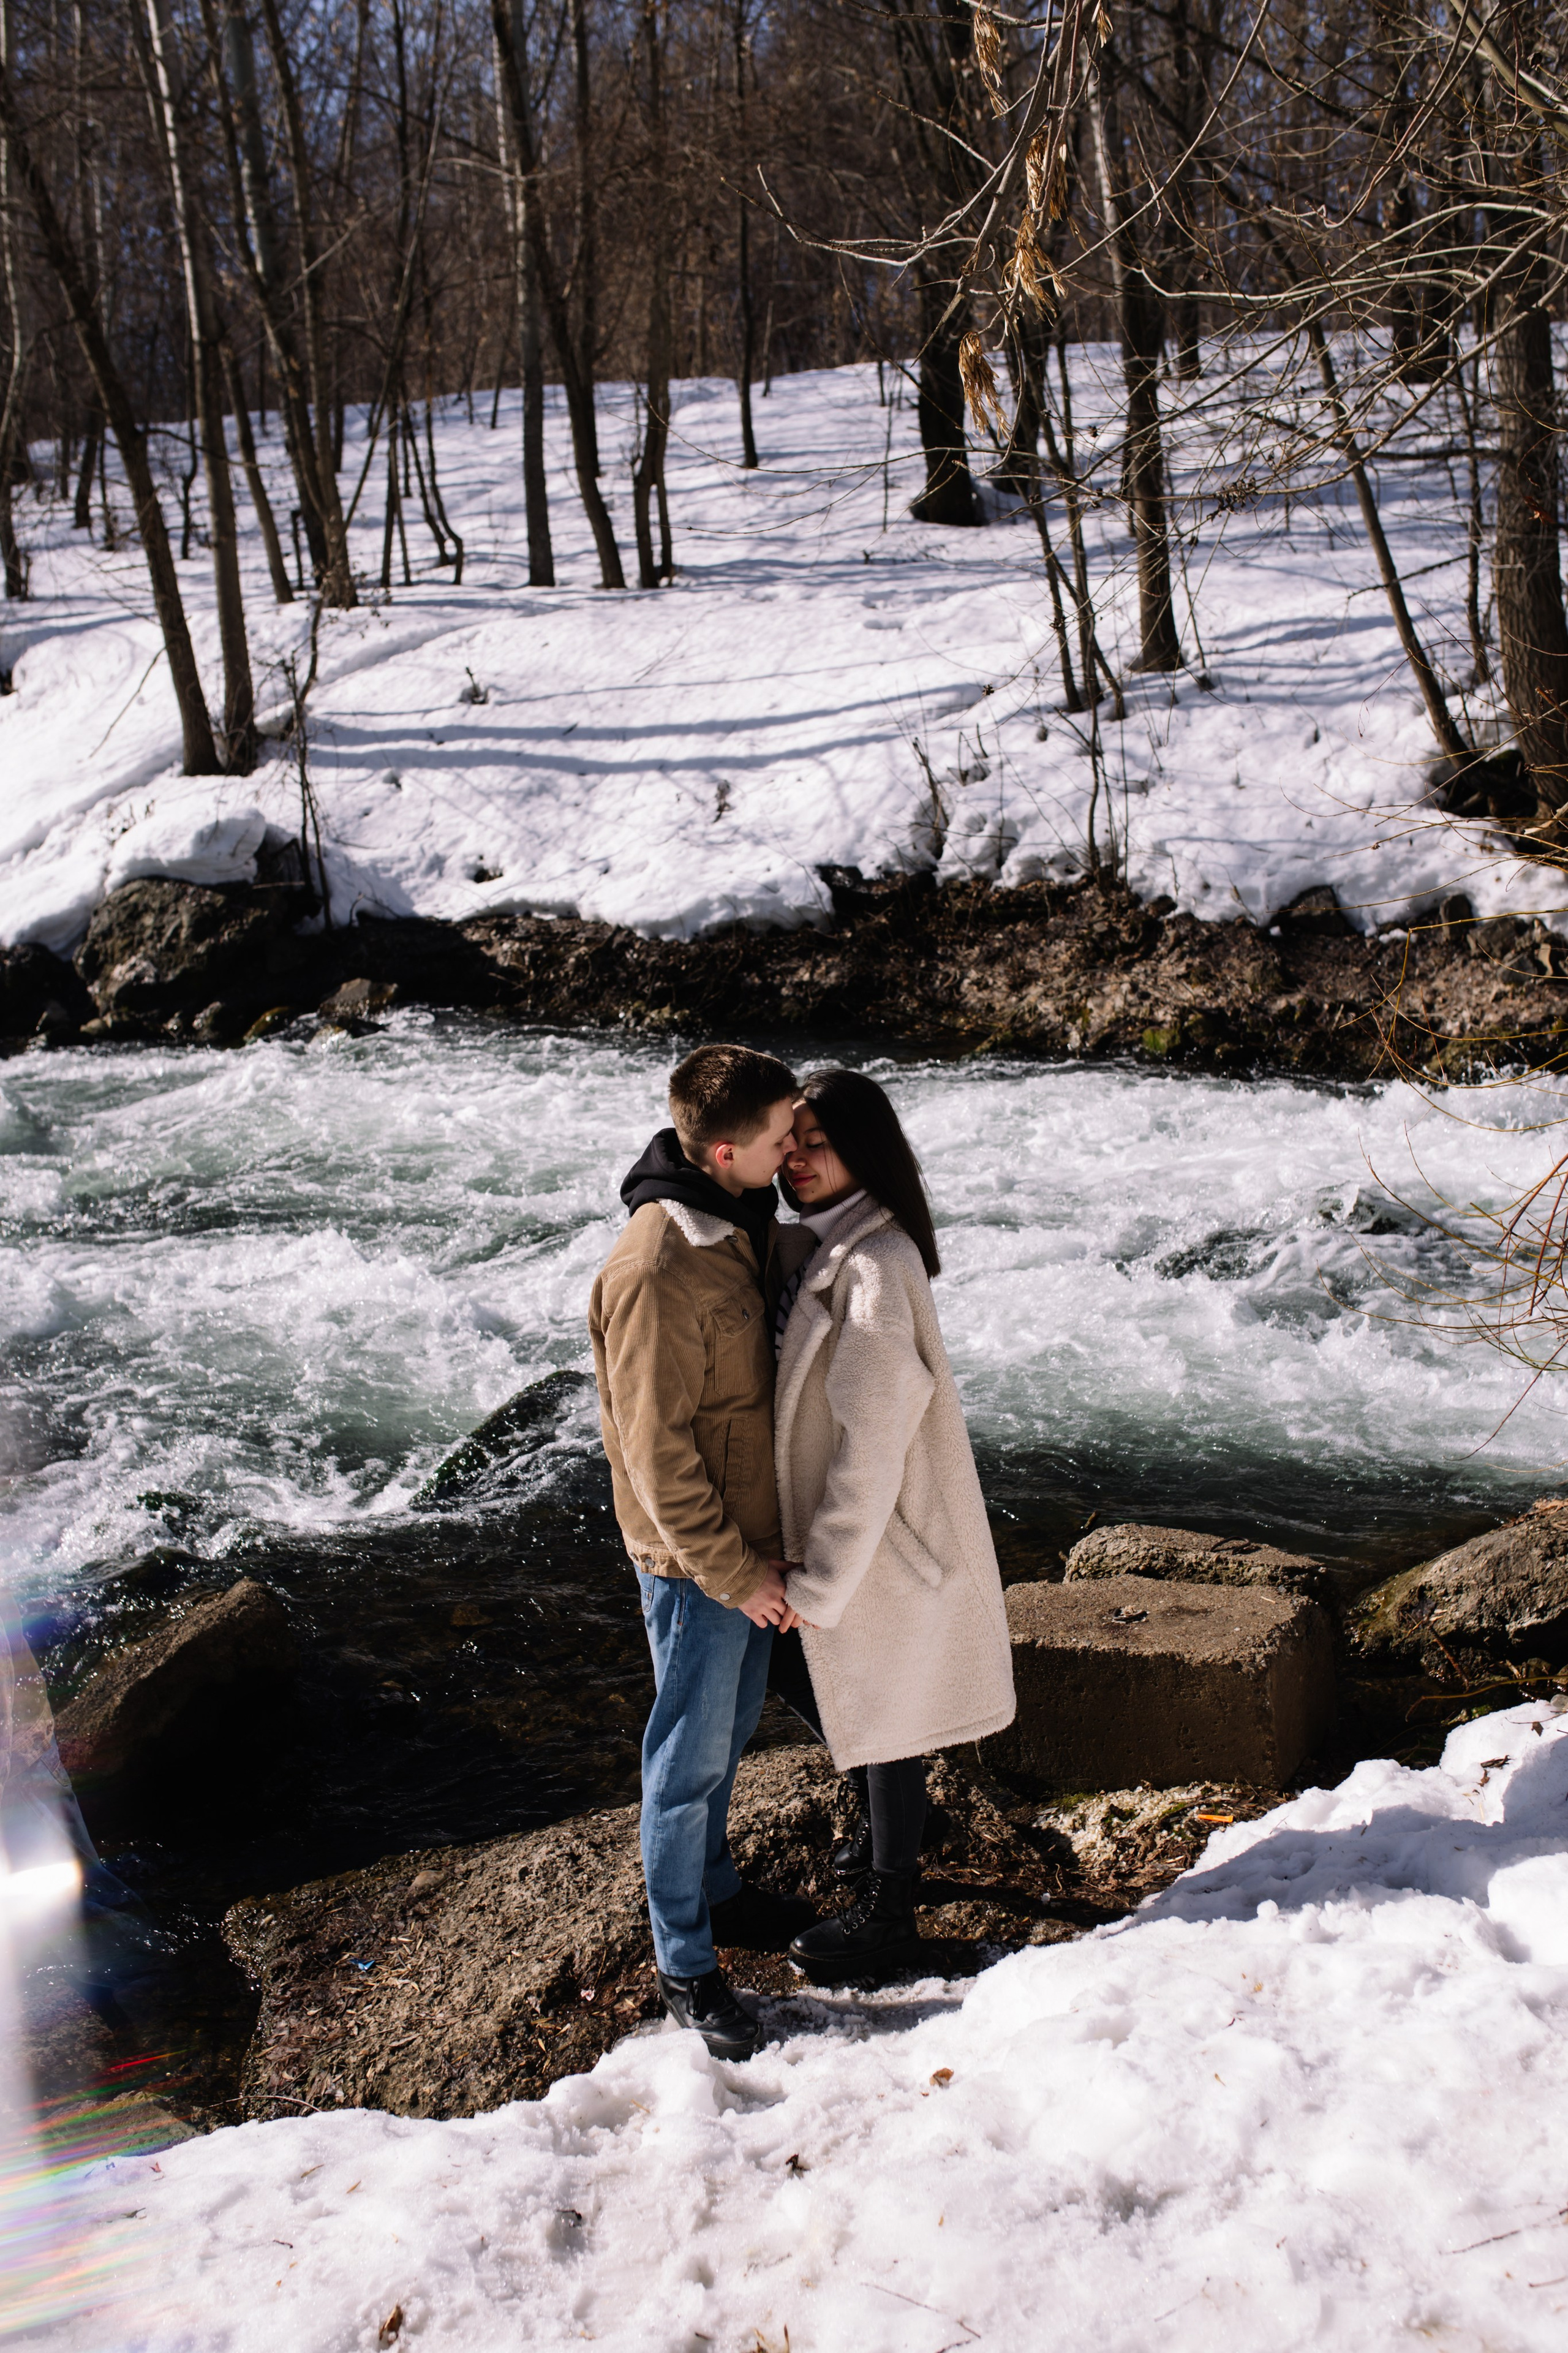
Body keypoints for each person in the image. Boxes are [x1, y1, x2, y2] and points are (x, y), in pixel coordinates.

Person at [588, 1043, 815, 2063]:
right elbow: (656, 1455)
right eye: (779, 1139)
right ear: (724, 1150)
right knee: (684, 1759)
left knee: (726, 1733)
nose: (792, 1149)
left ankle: (717, 1890)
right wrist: (737, 1573)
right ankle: (685, 1959)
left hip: (754, 1543)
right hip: (699, 1562)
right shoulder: (653, 1269)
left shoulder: (740, 1221)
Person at [771, 1067, 1016, 1981]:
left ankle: (889, 1912)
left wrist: (822, 1578)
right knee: (868, 1697)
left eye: (817, 1145)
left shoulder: (876, 1263)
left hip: (881, 1540)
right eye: (790, 1141)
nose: (795, 1159)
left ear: (861, 1154)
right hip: (868, 1539)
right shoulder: (828, 1243)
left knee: (876, 1697)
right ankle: (895, 1818)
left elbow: (871, 1445)